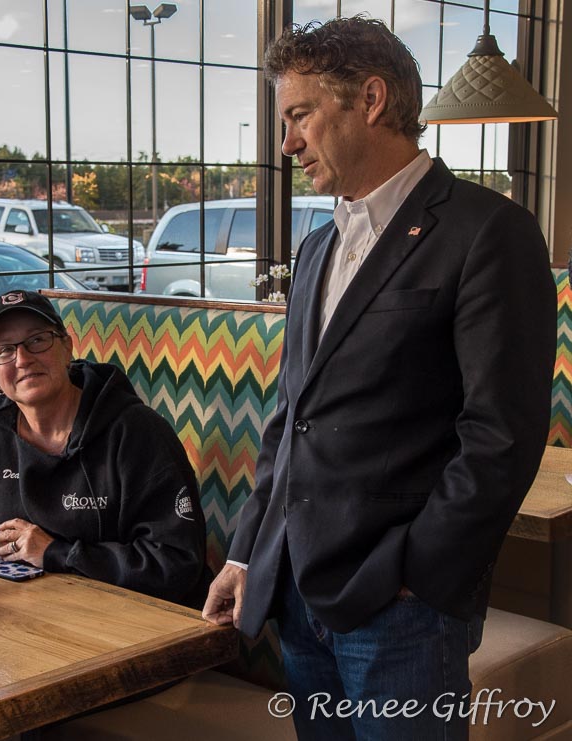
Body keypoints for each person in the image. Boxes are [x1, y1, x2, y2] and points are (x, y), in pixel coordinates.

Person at [202, 17, 555, 740]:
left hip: (402, 612)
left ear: (369, 99)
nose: (286, 142)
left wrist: (417, 577)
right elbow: (289, 420)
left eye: (299, 115)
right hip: (296, 597)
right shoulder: (314, 247)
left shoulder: (491, 231)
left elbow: (501, 436)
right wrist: (247, 551)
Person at [0, 289, 208, 605]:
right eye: (4, 350)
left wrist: (55, 552)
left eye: (37, 341)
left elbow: (176, 562)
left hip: (139, 622)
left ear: (67, 347)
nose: (23, 359)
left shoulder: (136, 432)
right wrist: (3, 541)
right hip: (30, 614)